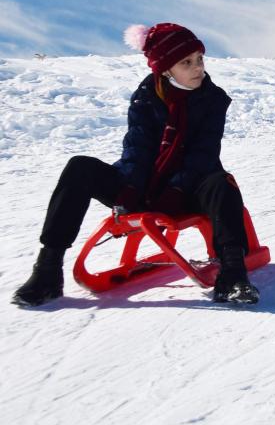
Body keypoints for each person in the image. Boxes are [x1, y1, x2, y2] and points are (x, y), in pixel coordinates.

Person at [12, 23, 260, 307]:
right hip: (144, 184)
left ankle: (233, 274)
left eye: (199, 59)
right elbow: (137, 147)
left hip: (189, 188)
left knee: (221, 183)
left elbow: (202, 154)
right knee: (79, 167)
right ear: (165, 69)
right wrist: (129, 188)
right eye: (186, 62)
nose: (198, 68)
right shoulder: (146, 96)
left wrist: (176, 190)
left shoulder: (213, 99)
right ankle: (47, 270)